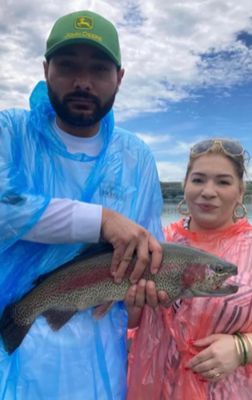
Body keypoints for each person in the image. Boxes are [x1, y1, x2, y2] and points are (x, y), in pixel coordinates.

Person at [0, 10, 165, 400]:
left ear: (119, 78)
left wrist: (141, 304)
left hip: (98, 364)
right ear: (45, 69)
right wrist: (103, 220)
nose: (82, 82)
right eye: (68, 66)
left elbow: (149, 261)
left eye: (99, 70)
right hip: (12, 354)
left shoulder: (136, 157)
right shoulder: (12, 132)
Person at [126, 138, 252, 400]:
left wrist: (243, 348)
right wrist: (133, 307)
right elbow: (123, 322)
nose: (208, 191)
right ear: (185, 185)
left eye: (223, 181)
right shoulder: (154, 242)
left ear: (240, 191)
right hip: (151, 387)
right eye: (198, 180)